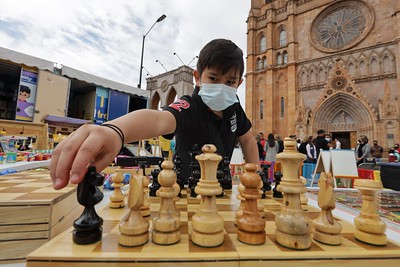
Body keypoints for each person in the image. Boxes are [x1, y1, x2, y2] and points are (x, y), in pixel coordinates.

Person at [50, 38, 259, 189]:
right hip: (183, 193)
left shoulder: (235, 110)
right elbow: (158, 119)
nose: (221, 86)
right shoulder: (190, 106)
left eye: (230, 82)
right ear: (198, 77)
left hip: (220, 190)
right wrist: (116, 130)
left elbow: (248, 139)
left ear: (239, 83)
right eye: (213, 78)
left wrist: (254, 175)